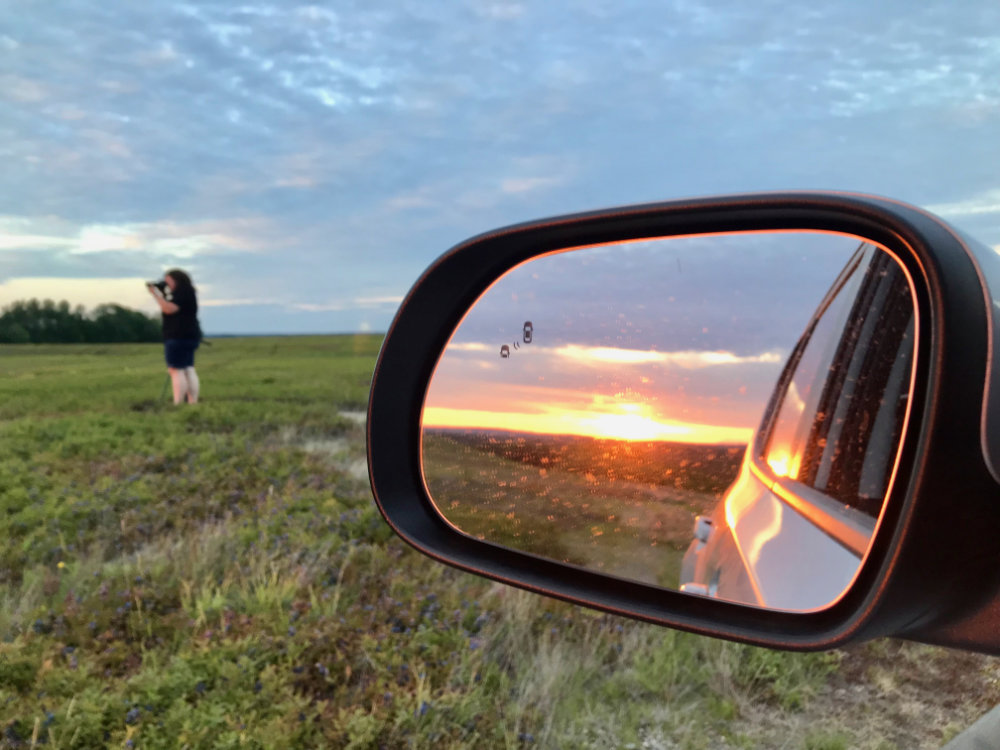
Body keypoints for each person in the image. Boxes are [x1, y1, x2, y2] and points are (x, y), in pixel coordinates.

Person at [147, 269, 202, 405]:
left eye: (168, 281)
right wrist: (164, 293)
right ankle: (192, 402)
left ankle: (178, 403)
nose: (166, 284)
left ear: (176, 280)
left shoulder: (181, 292)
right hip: (190, 335)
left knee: (176, 370)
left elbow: (169, 309)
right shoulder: (188, 292)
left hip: (178, 336)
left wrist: (156, 295)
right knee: (188, 368)